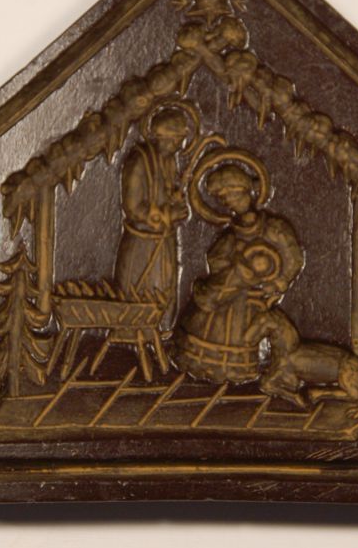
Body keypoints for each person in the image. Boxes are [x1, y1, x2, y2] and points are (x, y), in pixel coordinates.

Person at [173, 163, 304, 384]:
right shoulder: (231, 235)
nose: (229, 202)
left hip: (252, 298)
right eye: (224, 199)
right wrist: (234, 267)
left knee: (243, 332)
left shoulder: (274, 228)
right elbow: (216, 259)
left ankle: (238, 370)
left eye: (232, 195)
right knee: (210, 312)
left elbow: (294, 257)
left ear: (247, 191)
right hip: (230, 290)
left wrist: (278, 283)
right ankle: (204, 364)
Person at [113, 108, 191, 323]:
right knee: (139, 297)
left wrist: (176, 200)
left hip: (163, 243)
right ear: (162, 137)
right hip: (142, 245)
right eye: (176, 140)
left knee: (163, 296)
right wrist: (167, 214)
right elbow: (133, 207)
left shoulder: (169, 161)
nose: (179, 146)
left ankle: (159, 334)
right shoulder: (139, 161)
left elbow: (166, 193)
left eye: (180, 141)